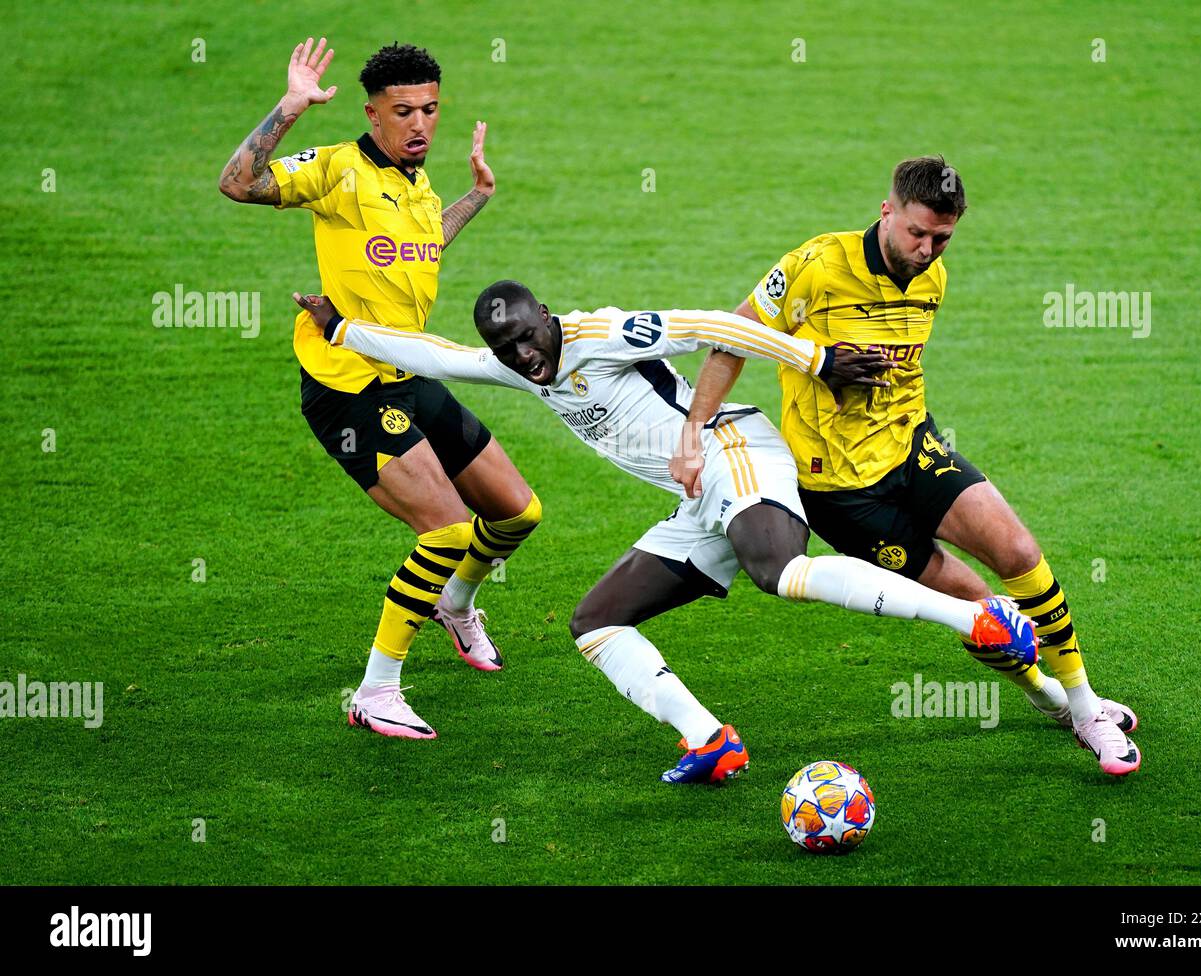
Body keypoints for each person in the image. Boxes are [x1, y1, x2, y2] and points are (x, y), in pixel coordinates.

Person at [292, 286, 1038, 783]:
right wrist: (343, 329)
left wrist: (816, 359)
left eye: (527, 337)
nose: (525, 357)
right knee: (595, 622)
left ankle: (978, 617)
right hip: (699, 502)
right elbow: (437, 355)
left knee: (779, 569)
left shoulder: (597, 333)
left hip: (735, 453)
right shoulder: (516, 366)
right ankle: (708, 739)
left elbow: (715, 327)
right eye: (508, 348)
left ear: (546, 317)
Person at [674, 155, 1139, 775]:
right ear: (887, 210)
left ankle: (1086, 708)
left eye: (941, 238)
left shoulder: (934, 278)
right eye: (917, 233)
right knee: (977, 604)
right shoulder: (816, 265)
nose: (926, 249)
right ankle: (1055, 702)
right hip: (840, 491)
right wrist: (692, 431)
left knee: (1020, 555)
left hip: (914, 448)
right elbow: (731, 336)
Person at [218, 38, 542, 740]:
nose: (420, 124)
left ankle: (455, 606)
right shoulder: (339, 170)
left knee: (518, 512)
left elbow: (420, 245)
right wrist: (291, 107)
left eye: (429, 109)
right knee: (450, 528)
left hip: (408, 373)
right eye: (404, 112)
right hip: (348, 389)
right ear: (372, 114)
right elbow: (238, 183)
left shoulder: (418, 183)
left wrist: (476, 199)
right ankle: (375, 691)